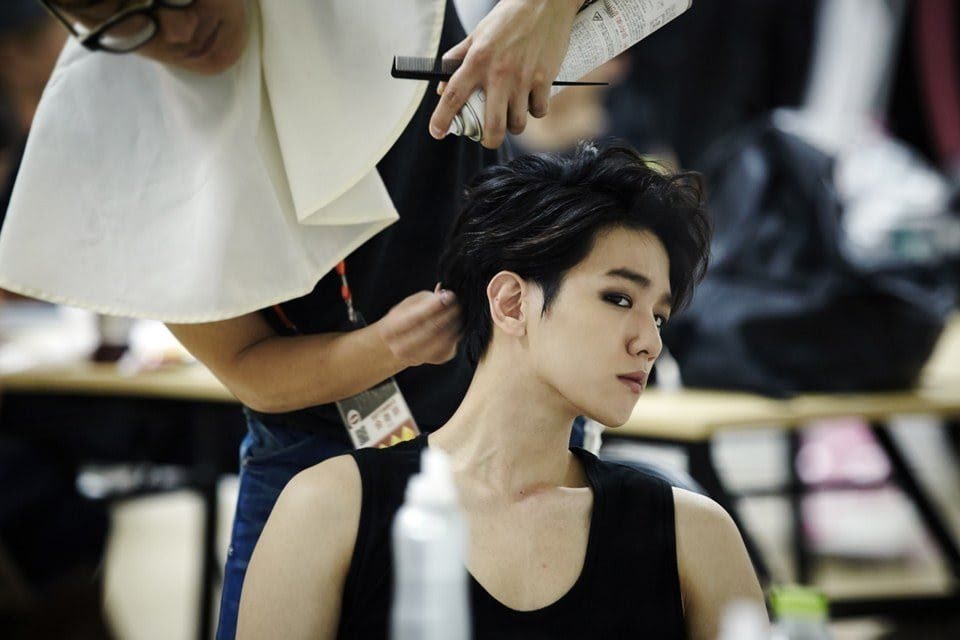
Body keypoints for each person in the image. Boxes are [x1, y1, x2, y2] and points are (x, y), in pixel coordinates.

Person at [19, 1, 595, 638]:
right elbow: (248, 367)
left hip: (507, 413)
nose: (178, 29)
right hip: (315, 438)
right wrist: (386, 347)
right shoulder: (112, 130)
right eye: (126, 22)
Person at [237, 143, 765, 640]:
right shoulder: (327, 510)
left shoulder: (694, 536)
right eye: (619, 299)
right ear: (512, 303)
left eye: (660, 317)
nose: (650, 343)